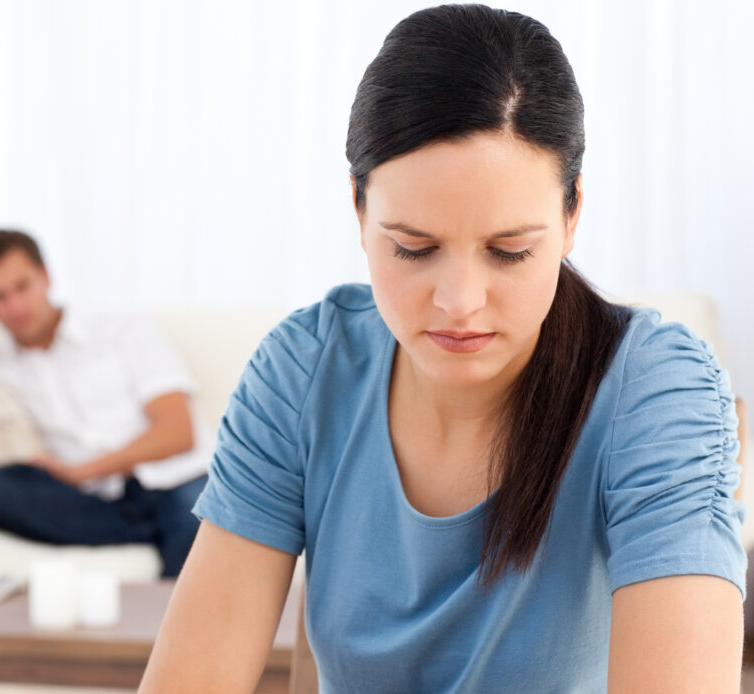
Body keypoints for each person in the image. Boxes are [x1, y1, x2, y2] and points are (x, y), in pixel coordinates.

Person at [139, 4, 748, 692]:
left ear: (572, 213)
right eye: (414, 248)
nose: (460, 302)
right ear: (359, 211)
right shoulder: (304, 371)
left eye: (509, 251)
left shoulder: (654, 393)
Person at [0, 229, 212, 578]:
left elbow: (177, 433)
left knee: (195, 517)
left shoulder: (122, 328)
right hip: (92, 503)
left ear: (46, 278)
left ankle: (165, 535)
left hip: (173, 481)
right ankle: (158, 533)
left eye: (22, 287)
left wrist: (82, 471)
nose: (15, 307)